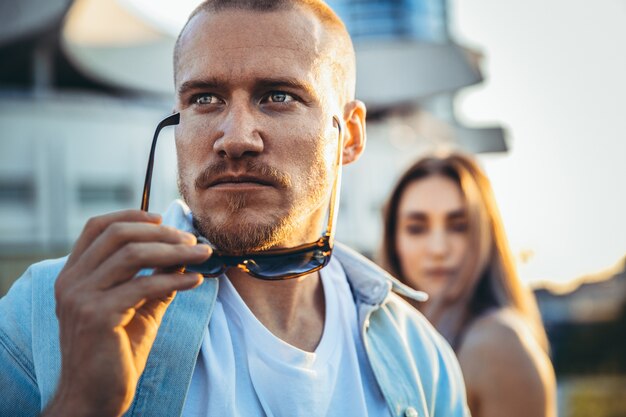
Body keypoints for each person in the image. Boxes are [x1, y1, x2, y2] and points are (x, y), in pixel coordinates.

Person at [0, 1, 470, 416]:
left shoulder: (420, 357)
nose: (236, 138)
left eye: (278, 96)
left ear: (349, 134)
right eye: (205, 98)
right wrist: (79, 406)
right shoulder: (43, 313)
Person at [380, 151, 557, 417]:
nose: (438, 249)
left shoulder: (497, 343)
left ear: (485, 234)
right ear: (394, 241)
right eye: (417, 228)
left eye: (459, 226)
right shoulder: (395, 332)